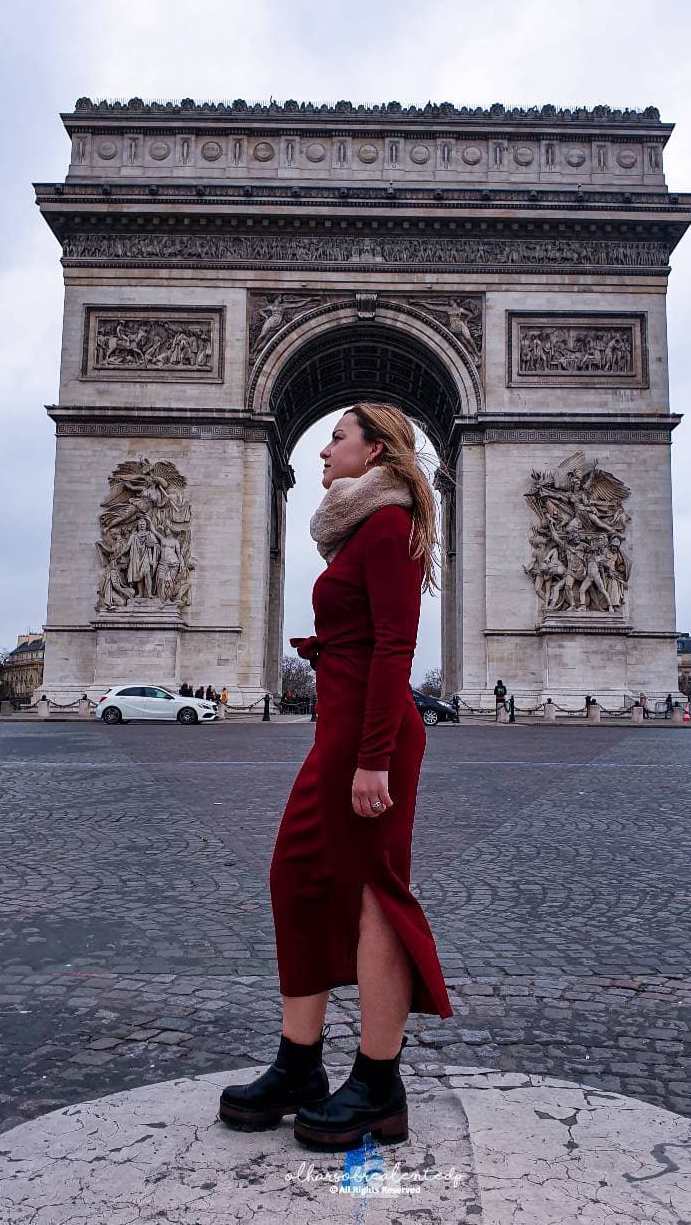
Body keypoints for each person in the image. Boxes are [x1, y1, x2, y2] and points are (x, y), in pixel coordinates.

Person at [219, 402, 454, 1151]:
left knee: (376, 896)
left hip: (368, 740)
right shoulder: (359, 526)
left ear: (375, 449)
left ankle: (379, 1084)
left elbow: (395, 649)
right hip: (340, 731)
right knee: (297, 876)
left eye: (338, 437)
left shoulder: (388, 527)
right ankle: (300, 1064)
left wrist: (374, 759)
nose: (324, 448)